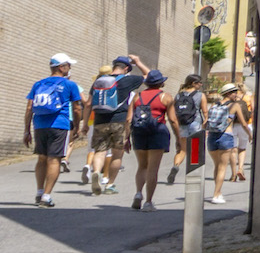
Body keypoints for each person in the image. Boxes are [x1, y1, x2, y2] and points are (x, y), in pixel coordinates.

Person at [23, 55, 83, 208]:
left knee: (42, 159)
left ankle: (39, 192)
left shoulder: (38, 84)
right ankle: (46, 196)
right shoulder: (70, 85)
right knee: (54, 160)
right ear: (61, 67)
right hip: (59, 125)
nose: (70, 68)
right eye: (68, 65)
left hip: (40, 125)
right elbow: (77, 108)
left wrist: (26, 130)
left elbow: (29, 108)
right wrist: (76, 126)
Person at [85, 55, 148, 195]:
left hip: (100, 121)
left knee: (100, 151)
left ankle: (96, 172)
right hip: (119, 120)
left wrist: (84, 124)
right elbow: (150, 76)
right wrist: (138, 61)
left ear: (114, 66)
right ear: (126, 68)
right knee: (117, 155)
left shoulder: (99, 81)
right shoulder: (128, 80)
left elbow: (89, 104)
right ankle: (110, 184)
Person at [126, 70, 179, 212]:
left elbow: (128, 119)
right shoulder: (166, 97)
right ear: (161, 83)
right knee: (153, 168)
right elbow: (173, 120)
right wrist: (178, 138)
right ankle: (148, 202)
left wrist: (126, 138)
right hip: (157, 131)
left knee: (142, 165)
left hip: (139, 132)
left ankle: (138, 193)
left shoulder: (137, 97)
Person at [208, 85, 250, 205]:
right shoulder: (235, 105)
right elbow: (243, 123)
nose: (236, 95)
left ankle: (218, 192)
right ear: (229, 93)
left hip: (212, 137)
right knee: (222, 168)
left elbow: (207, 121)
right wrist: (250, 134)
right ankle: (216, 195)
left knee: (217, 166)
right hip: (225, 136)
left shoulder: (214, 105)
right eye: (234, 92)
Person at [167, 74, 205, 185]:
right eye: (199, 83)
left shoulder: (178, 96)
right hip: (195, 124)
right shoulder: (200, 95)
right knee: (194, 150)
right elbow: (205, 111)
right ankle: (193, 175)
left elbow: (174, 111)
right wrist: (205, 124)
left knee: (182, 150)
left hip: (182, 124)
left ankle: (176, 166)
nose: (201, 84)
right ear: (193, 83)